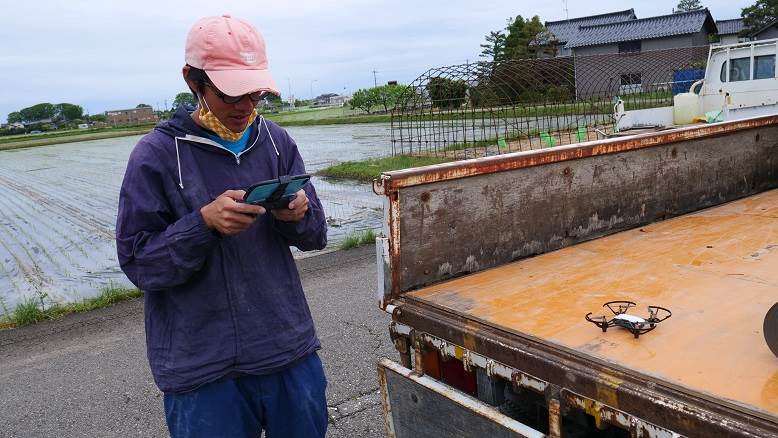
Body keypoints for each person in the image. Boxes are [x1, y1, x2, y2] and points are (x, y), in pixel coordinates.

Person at [115, 15, 328, 438]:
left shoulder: (275, 141)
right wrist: (203, 225)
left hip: (287, 346)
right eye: (231, 93)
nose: (245, 106)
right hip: (203, 366)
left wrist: (299, 215)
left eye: (255, 93)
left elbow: (317, 236)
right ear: (193, 80)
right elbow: (139, 263)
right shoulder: (156, 155)